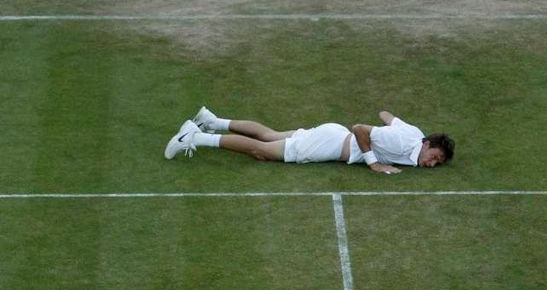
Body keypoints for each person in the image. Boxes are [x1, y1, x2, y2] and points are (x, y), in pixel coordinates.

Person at [164, 106, 455, 174]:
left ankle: (210, 120)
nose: (431, 164)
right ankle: (196, 136)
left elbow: (385, 114)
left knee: (269, 135)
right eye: (435, 158)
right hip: (329, 144)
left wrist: (388, 125)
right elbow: (360, 127)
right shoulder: (403, 145)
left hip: (331, 133)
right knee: (262, 150)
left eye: (436, 164)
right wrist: (373, 163)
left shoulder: (415, 133)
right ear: (428, 145)